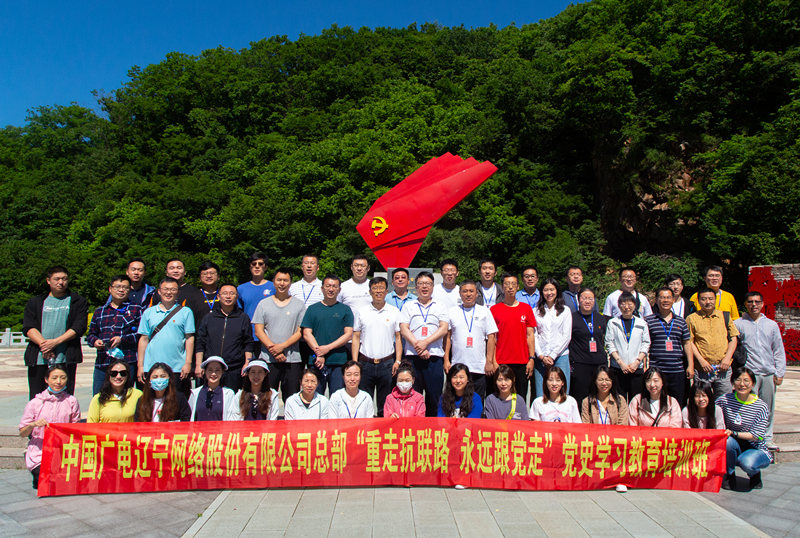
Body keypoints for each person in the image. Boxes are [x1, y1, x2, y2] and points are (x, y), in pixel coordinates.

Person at [23, 266, 88, 399]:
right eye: (57, 279)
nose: (61, 282)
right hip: (39, 357)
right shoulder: (36, 302)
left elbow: (79, 327)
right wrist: (44, 345)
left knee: (65, 398)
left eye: (64, 279)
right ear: (48, 281)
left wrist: (55, 342)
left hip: (65, 357)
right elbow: (28, 327)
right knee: (37, 398)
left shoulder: (77, 301)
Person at [734, 291, 786, 449]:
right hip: (750, 373)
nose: (754, 305)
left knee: (767, 407)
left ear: (762, 304)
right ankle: (750, 438)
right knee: (749, 407)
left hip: (768, 373)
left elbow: (778, 349)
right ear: (745, 304)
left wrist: (779, 372)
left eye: (757, 302)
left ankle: (767, 437)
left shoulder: (771, 325)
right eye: (750, 302)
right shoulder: (738, 324)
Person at [19, 365, 81, 489]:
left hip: (63, 449)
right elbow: (22, 433)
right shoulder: (35, 403)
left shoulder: (71, 401)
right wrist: (33, 425)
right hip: (40, 450)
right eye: (54, 378)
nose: (58, 382)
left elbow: (77, 428)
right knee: (45, 480)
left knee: (64, 483)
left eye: (63, 378)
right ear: (46, 379)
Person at [399, 271, 449, 416]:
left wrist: (426, 342)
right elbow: (404, 328)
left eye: (428, 284)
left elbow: (444, 328)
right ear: (416, 287)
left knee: (434, 397)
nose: (424, 287)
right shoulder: (409, 305)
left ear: (433, 286)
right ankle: (413, 427)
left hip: (434, 358)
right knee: (412, 398)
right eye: (421, 284)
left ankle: (433, 426)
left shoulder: (440, 306)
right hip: (413, 358)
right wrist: (418, 345)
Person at [137, 277, 195, 396]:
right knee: (152, 401)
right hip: (151, 367)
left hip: (177, 368)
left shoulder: (186, 312)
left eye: (173, 289)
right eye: (165, 289)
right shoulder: (149, 312)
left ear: (178, 292)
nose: (169, 292)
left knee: (176, 400)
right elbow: (143, 339)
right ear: (159, 291)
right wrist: (140, 365)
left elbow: (189, 338)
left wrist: (188, 363)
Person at [352, 277, 401, 416]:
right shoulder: (362, 311)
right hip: (365, 362)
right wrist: (355, 362)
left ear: (386, 291)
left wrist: (397, 360)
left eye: (381, 288)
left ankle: (383, 428)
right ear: (370, 291)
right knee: (363, 402)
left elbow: (398, 337)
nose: (378, 291)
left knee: (385, 404)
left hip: (387, 363)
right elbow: (356, 336)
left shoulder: (394, 311)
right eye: (375, 288)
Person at [253, 270, 306, 399]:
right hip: (268, 359)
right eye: (279, 280)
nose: (282, 283)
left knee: (292, 398)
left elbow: (300, 331)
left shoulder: (299, 305)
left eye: (285, 280)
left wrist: (282, 346)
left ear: (290, 283)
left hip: (292, 359)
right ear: (273, 282)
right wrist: (274, 350)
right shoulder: (263, 304)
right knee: (266, 397)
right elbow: (258, 330)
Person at [86, 275, 143, 395]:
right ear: (110, 289)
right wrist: (95, 341)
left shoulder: (136, 309)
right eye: (117, 287)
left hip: (127, 362)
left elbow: (140, 335)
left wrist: (122, 339)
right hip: (103, 362)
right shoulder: (100, 311)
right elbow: (91, 334)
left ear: (129, 290)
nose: (121, 290)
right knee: (100, 396)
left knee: (126, 397)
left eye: (125, 287)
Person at [718, 367, 773, 490]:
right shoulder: (725, 400)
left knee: (747, 463)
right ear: (733, 382)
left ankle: (754, 474)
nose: (742, 384)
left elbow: (757, 436)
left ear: (753, 383)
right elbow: (712, 410)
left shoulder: (761, 406)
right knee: (727, 441)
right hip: (734, 444)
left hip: (755, 447)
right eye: (738, 380)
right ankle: (730, 474)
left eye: (746, 381)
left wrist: (734, 433)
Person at [195, 284, 255, 392]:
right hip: (212, 368)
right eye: (225, 293)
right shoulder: (209, 317)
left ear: (236, 297)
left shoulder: (243, 318)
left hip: (234, 369)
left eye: (232, 294)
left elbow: (248, 343)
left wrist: (247, 363)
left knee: (233, 399)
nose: (228, 296)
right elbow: (200, 342)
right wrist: (198, 364)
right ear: (218, 296)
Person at [444, 280, 498, 399]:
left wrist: (489, 361)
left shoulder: (485, 311)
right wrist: (446, 359)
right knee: (456, 399)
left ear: (477, 293)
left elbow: (491, 337)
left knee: (477, 400)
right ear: (460, 293)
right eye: (465, 291)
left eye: (471, 291)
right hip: (458, 365)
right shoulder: (452, 312)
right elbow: (447, 338)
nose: (468, 294)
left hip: (478, 366)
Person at [301, 275, 354, 395]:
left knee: (337, 397)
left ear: (339, 290)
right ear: (322, 288)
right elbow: (307, 333)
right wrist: (319, 352)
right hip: (316, 361)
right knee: (314, 396)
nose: (331, 289)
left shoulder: (345, 309)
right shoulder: (312, 309)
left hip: (338, 361)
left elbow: (348, 335)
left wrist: (327, 348)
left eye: (334, 286)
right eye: (328, 286)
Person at [686, 287, 739, 401]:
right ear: (698, 301)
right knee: (702, 400)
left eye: (710, 299)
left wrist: (727, 358)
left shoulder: (724, 316)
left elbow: (733, 338)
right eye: (703, 299)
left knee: (725, 401)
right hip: (703, 369)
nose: (707, 302)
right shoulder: (691, 319)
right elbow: (689, 342)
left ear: (715, 300)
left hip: (723, 368)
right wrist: (701, 361)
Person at [645, 287, 693, 407]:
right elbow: (645, 345)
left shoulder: (681, 321)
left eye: (668, 297)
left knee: (678, 403)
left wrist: (690, 365)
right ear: (656, 300)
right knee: (657, 403)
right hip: (657, 370)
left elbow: (687, 343)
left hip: (677, 370)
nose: (665, 300)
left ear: (673, 300)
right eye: (662, 297)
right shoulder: (649, 321)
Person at [490, 273, 536, 399]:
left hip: (522, 361)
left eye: (513, 284)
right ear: (502, 287)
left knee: (520, 397)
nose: (510, 287)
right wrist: (493, 361)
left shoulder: (526, 309)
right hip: (501, 361)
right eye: (507, 284)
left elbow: (530, 335)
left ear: (518, 287)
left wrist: (531, 358)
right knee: (501, 397)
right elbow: (492, 338)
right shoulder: (494, 310)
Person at [606, 291, 651, 401]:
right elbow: (609, 343)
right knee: (619, 400)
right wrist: (620, 363)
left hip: (636, 368)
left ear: (635, 305)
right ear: (619, 305)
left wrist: (637, 362)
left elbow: (646, 343)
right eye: (623, 304)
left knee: (636, 401)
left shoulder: (642, 323)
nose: (626, 307)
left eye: (630, 304)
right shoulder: (613, 323)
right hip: (618, 368)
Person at [568, 288, 610, 404]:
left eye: (590, 299)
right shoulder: (572, 318)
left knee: (599, 396)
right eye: (584, 298)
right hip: (580, 363)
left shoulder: (600, 318)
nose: (587, 301)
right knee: (580, 398)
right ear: (578, 300)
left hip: (599, 363)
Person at [533, 278, 572, 397]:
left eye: (552, 290)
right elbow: (534, 335)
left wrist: (552, 355)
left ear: (557, 291)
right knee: (541, 394)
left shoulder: (565, 311)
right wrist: (541, 355)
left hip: (560, 356)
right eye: (546, 290)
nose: (549, 293)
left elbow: (566, 336)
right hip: (541, 358)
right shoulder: (535, 311)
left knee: (562, 393)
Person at [150, 258, 208, 328]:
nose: (175, 271)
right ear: (166, 272)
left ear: (185, 272)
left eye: (179, 268)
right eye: (172, 268)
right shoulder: (160, 292)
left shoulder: (194, 291)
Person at [188, 357, 239, 421]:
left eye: (217, 370)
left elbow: (231, 418)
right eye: (210, 370)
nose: (213, 374)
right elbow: (189, 416)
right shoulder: (195, 393)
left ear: (222, 372)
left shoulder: (228, 394)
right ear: (205, 371)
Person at [237, 252, 276, 329]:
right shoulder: (241, 289)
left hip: (269, 331)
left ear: (265, 267)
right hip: (247, 331)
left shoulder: (274, 287)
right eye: (254, 264)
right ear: (250, 267)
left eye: (260, 264)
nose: (257, 266)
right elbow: (238, 312)